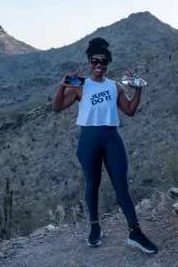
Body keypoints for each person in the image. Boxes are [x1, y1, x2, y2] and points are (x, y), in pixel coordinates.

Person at [51, 37, 159, 254]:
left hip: (112, 138)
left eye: (103, 61)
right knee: (92, 183)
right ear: (89, 62)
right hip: (88, 139)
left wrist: (138, 89)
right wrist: (61, 87)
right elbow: (57, 107)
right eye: (94, 61)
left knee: (121, 186)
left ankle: (135, 232)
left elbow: (129, 110)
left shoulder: (115, 86)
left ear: (108, 62)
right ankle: (94, 227)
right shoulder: (80, 85)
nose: (99, 65)